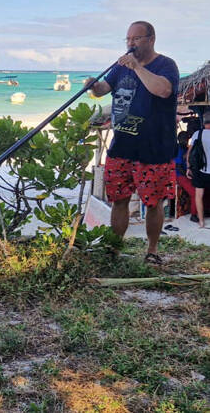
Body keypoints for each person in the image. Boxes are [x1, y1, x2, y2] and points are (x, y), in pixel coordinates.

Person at [85, 21, 179, 264]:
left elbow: (163, 90)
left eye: (136, 38)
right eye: (127, 39)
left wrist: (137, 67)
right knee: (118, 199)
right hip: (122, 146)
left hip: (154, 148)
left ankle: (152, 250)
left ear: (151, 38)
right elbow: (104, 88)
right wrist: (93, 86)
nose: (130, 43)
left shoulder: (166, 65)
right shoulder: (120, 67)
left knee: (153, 201)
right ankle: (115, 249)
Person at [187, 110, 210, 228]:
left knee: (199, 195)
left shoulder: (197, 134)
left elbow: (189, 153)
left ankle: (201, 221)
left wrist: (188, 167)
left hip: (200, 170)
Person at [175, 131, 199, 222]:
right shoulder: (179, 149)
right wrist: (189, 175)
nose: (185, 140)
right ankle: (194, 214)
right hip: (180, 175)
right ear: (179, 139)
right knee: (195, 192)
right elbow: (178, 166)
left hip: (186, 174)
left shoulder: (186, 149)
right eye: (183, 138)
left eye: (186, 138)